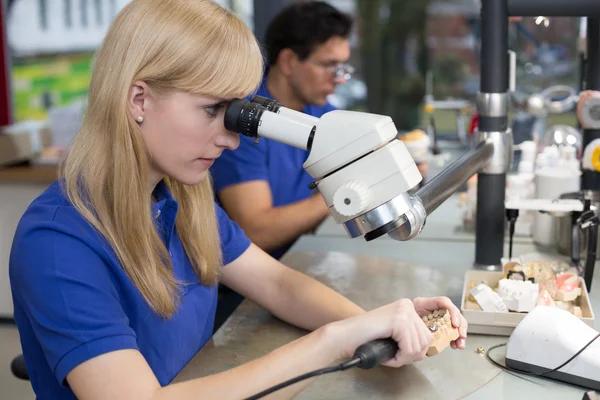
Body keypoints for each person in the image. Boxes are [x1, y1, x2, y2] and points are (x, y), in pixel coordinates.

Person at [9, 1, 468, 399]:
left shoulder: (180, 198)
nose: (231, 141)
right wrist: (333, 342)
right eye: (213, 109)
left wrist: (383, 323)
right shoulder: (57, 243)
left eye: (234, 114)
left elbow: (278, 285)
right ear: (138, 100)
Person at [210, 1, 354, 260]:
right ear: (288, 61)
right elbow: (257, 231)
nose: (339, 79)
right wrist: (343, 194)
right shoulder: (244, 119)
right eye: (329, 66)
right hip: (238, 284)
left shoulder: (320, 111)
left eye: (343, 68)